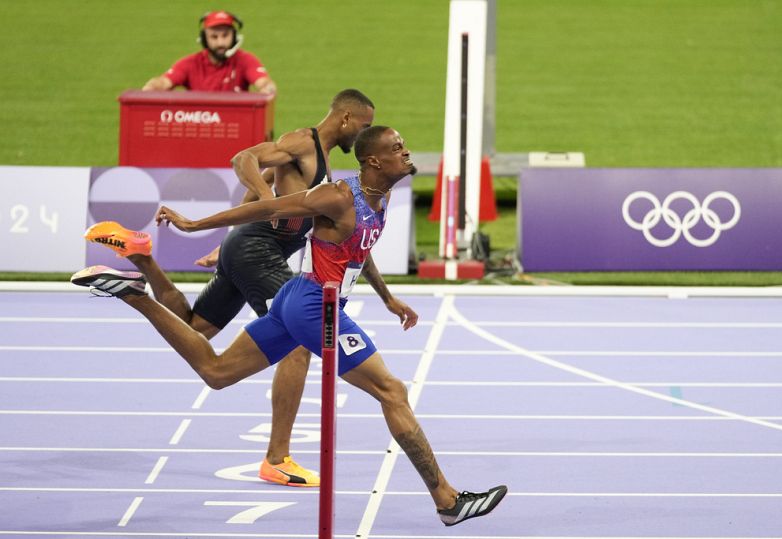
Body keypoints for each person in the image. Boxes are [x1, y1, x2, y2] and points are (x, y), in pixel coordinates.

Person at [72, 126, 507, 526]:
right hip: (314, 304)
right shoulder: (337, 196)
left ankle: (133, 294)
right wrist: (194, 226)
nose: (406, 152)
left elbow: (362, 246)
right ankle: (448, 501)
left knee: (217, 372)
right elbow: (268, 207)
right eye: (397, 148)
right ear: (374, 161)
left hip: (297, 299)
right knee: (392, 391)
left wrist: (387, 296)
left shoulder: (381, 195)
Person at [82, 90, 418, 488]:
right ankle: (278, 457)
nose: (362, 138)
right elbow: (244, 160)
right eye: (363, 127)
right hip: (259, 249)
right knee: (298, 341)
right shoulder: (303, 144)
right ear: (346, 119)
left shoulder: (334, 177)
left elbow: (356, 246)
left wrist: (386, 296)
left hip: (247, 246)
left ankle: (141, 261)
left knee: (198, 332)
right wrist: (260, 198)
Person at [143, 10, 277, 97]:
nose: (220, 43)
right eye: (214, 36)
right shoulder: (190, 63)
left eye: (225, 35)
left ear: (234, 36)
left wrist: (268, 88)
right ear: (204, 39)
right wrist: (152, 86)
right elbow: (164, 82)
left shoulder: (245, 60)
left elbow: (264, 82)